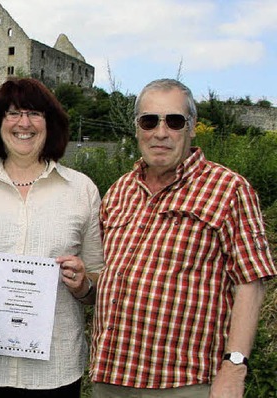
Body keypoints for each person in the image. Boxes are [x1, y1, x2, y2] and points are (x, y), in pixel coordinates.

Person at [91, 78, 276, 398]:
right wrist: (84, 282)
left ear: (191, 128)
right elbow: (108, 274)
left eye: (174, 121)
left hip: (185, 383)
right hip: (111, 378)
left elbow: (251, 282)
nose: (160, 132)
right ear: (136, 128)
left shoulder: (229, 189)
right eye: (149, 121)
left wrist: (234, 368)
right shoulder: (119, 190)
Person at [0, 77, 105, 398]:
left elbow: (98, 282)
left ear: (51, 124)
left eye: (35, 114)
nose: (24, 123)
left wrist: (83, 284)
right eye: (13, 113)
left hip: (54, 370)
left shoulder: (81, 190)